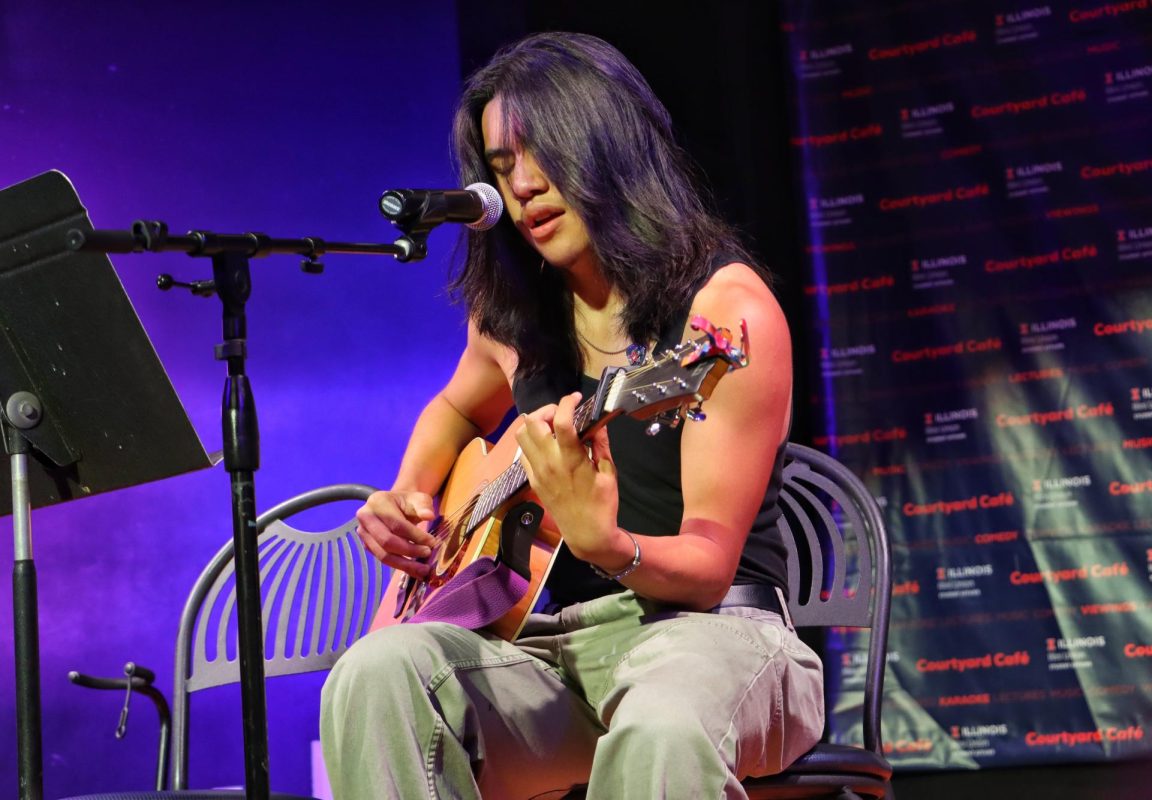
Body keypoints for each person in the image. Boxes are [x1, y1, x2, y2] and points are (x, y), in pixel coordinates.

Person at [320, 31, 823, 799]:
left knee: (660, 719)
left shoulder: (722, 316)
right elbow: (456, 406)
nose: (520, 186)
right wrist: (410, 499)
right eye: (499, 167)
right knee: (376, 672)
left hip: (719, 635)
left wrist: (606, 544)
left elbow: (709, 567)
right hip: (560, 653)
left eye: (538, 152)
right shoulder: (516, 321)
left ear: (607, 144)